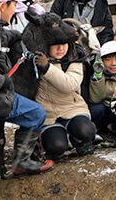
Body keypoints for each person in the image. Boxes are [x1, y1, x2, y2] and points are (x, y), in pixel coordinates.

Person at [0, 0, 53, 178]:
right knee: (35, 113)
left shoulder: (0, 31)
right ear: (3, 6)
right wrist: (3, 82)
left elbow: (7, 38)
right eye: (14, 5)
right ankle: (22, 160)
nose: (15, 10)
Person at [34, 16, 97, 160]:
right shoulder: (35, 60)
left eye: (64, 43)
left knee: (86, 130)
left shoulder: (75, 58)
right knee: (57, 146)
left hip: (72, 107)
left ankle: (79, 139)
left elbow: (69, 85)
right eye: (55, 44)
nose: (60, 48)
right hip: (47, 113)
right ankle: (46, 141)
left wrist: (47, 68)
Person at [87, 41, 116, 147]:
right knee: (96, 109)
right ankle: (98, 131)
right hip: (106, 109)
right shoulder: (99, 74)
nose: (113, 64)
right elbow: (96, 98)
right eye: (108, 59)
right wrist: (98, 76)